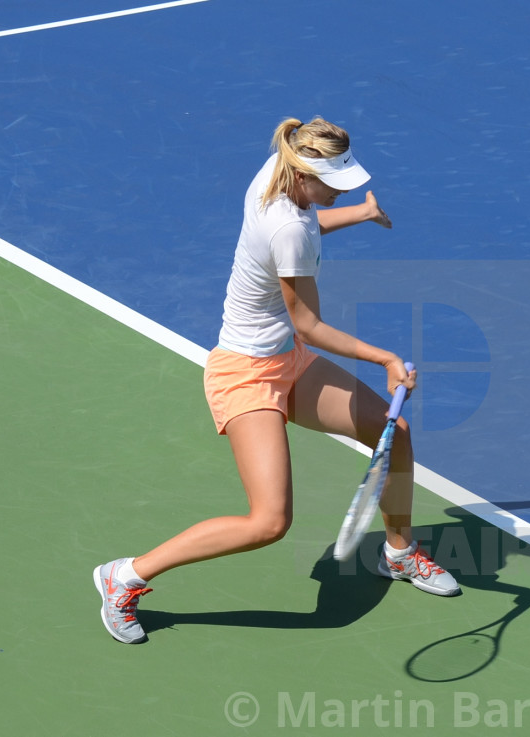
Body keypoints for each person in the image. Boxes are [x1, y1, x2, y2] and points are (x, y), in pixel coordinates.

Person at [93, 116, 460, 644]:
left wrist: (358, 212)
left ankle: (398, 553)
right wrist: (384, 358)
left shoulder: (277, 172)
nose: (340, 188)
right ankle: (123, 577)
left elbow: (305, 232)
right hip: (245, 374)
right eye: (334, 182)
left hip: (287, 361)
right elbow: (307, 325)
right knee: (268, 522)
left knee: (392, 433)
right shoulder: (288, 227)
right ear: (304, 174)